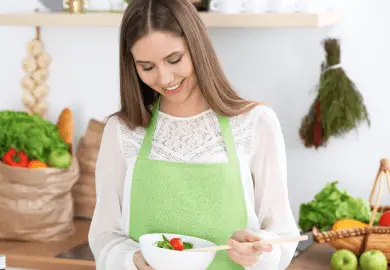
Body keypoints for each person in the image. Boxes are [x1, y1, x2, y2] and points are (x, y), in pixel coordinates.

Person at [88, 0, 300, 269]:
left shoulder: (256, 124)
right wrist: (135, 261)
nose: (165, 78)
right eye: (147, 67)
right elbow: (104, 236)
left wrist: (259, 251)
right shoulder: (122, 132)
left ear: (197, 47)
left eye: (174, 59)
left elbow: (282, 232)